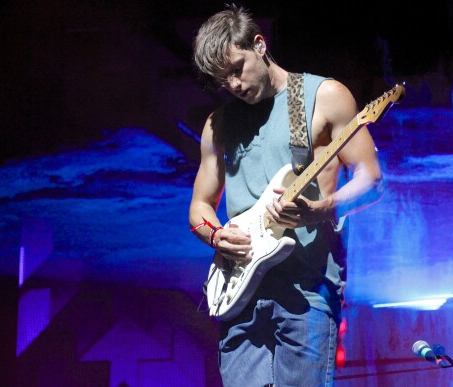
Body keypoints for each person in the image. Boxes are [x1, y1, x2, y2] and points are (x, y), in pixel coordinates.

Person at [188, 4, 384, 386]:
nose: (233, 85)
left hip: (306, 291)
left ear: (259, 45)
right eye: (221, 79)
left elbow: (372, 180)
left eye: (236, 69)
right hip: (239, 292)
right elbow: (199, 205)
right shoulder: (219, 124)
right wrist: (216, 235)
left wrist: (321, 208)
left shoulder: (323, 96)